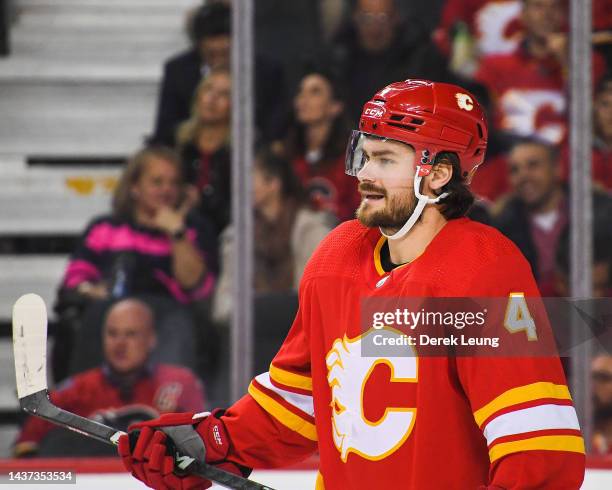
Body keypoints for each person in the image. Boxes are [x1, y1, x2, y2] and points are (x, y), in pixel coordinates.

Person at [118, 80, 585, 489]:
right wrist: (213, 441)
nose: (364, 173)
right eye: (364, 154)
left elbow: (539, 448)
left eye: (385, 159)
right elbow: (301, 403)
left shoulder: (482, 270)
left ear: (439, 174)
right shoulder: (337, 254)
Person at [58, 146, 217, 372]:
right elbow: (74, 280)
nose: (166, 190)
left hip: (169, 326)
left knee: (180, 324)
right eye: (157, 182)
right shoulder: (104, 228)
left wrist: (177, 233)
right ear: (134, 187)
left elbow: (199, 290)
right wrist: (89, 290)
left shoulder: (194, 230)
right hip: (111, 319)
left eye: (173, 183)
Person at [14, 299, 206, 458]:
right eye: (112, 334)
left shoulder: (180, 384)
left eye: (131, 334)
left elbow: (204, 451)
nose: (120, 344)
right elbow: (26, 450)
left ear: (151, 339)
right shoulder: (76, 390)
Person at [212, 148, 333, 324]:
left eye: (250, 178)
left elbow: (323, 294)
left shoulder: (310, 228)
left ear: (274, 183)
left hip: (304, 326)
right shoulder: (238, 234)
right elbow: (225, 300)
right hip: (253, 328)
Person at [151, 2, 285, 146]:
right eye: (211, 54)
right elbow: (165, 130)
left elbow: (275, 131)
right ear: (199, 46)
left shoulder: (267, 72)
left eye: (225, 53)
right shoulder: (177, 71)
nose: (218, 61)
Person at [474, 0, 606, 145]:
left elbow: (594, 120)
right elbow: (477, 119)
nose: (547, 15)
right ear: (523, 15)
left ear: (566, 14)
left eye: (555, 7)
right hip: (509, 157)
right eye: (538, 6)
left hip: (566, 159)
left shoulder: (590, 63)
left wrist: (569, 63)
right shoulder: (495, 66)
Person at [493, 138, 612, 296]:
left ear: (557, 169)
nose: (523, 176)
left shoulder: (601, 212)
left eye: (533, 165)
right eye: (515, 170)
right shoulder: (500, 230)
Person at [330, 0, 449, 123]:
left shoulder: (418, 56)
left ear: (396, 18)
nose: (374, 27)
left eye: (382, 18)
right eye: (366, 17)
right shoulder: (340, 55)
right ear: (355, 17)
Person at [278, 66, 360, 222]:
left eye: (315, 92)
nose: (303, 99)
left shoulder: (354, 153)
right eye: (301, 92)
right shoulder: (287, 153)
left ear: (335, 107)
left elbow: (359, 209)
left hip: (340, 237)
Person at [177, 68, 231, 234]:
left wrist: (203, 202)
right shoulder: (180, 143)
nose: (212, 98)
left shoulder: (239, 151)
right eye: (208, 89)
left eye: (223, 94)